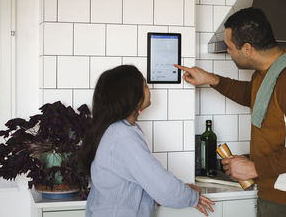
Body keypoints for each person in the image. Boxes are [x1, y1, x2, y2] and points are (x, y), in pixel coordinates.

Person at [175, 7, 286, 217]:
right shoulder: (267, 74)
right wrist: (211, 79)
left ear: (247, 48)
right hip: (278, 195)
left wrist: (255, 168)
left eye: (229, 47)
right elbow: (252, 95)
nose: (228, 52)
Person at [80, 65, 214, 217]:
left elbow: (142, 181)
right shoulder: (123, 136)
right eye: (145, 85)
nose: (149, 89)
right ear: (132, 97)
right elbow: (164, 187)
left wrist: (182, 189)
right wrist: (192, 198)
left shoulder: (114, 131)